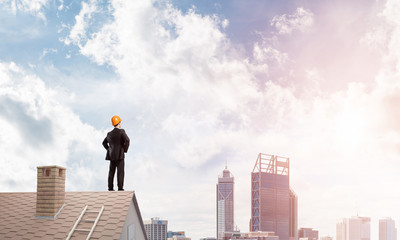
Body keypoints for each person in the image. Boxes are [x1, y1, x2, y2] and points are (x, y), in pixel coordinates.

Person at [102, 115, 130, 191]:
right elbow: (127, 140)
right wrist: (124, 149)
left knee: (111, 172)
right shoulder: (121, 131)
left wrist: (109, 149)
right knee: (120, 172)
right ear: (119, 123)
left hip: (112, 155)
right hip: (120, 155)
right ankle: (120, 188)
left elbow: (104, 143)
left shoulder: (109, 134)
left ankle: (110, 187)